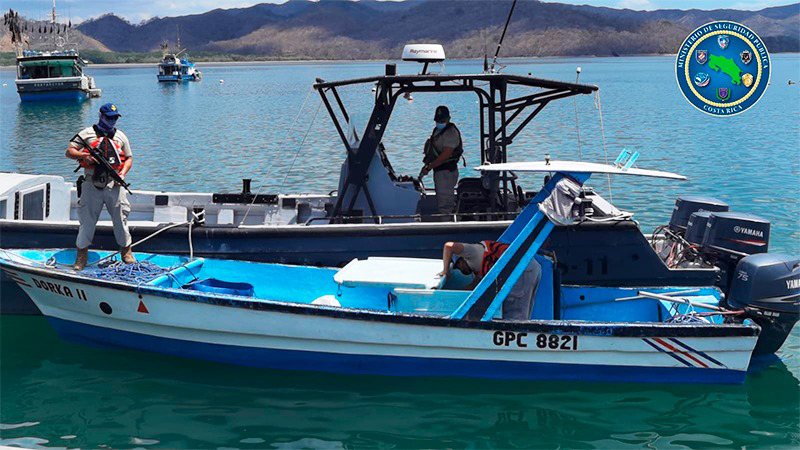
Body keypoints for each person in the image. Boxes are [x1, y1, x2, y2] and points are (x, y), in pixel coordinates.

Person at [65, 103, 134, 270]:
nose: (112, 121)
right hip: (91, 184)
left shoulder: (120, 136)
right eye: (109, 118)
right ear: (101, 116)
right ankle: (82, 255)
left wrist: (123, 173)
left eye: (115, 118)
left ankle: (126, 251)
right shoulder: (86, 134)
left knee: (120, 218)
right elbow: (69, 151)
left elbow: (129, 158)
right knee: (87, 221)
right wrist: (85, 156)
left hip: (115, 184)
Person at [438, 240, 541, 320]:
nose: (460, 270)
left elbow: (449, 246)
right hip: (531, 266)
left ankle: (514, 340)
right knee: (524, 310)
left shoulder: (471, 252)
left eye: (458, 266)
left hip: (521, 268)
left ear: (462, 259)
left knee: (514, 311)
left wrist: (446, 270)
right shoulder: (481, 265)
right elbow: (473, 287)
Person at [420, 105, 463, 219]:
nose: (439, 122)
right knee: (442, 200)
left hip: (446, 171)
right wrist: (427, 165)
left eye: (442, 120)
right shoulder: (438, 130)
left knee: (445, 205)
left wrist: (429, 167)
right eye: (438, 120)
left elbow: (445, 155)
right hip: (438, 170)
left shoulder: (450, 133)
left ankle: (447, 226)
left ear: (449, 118)